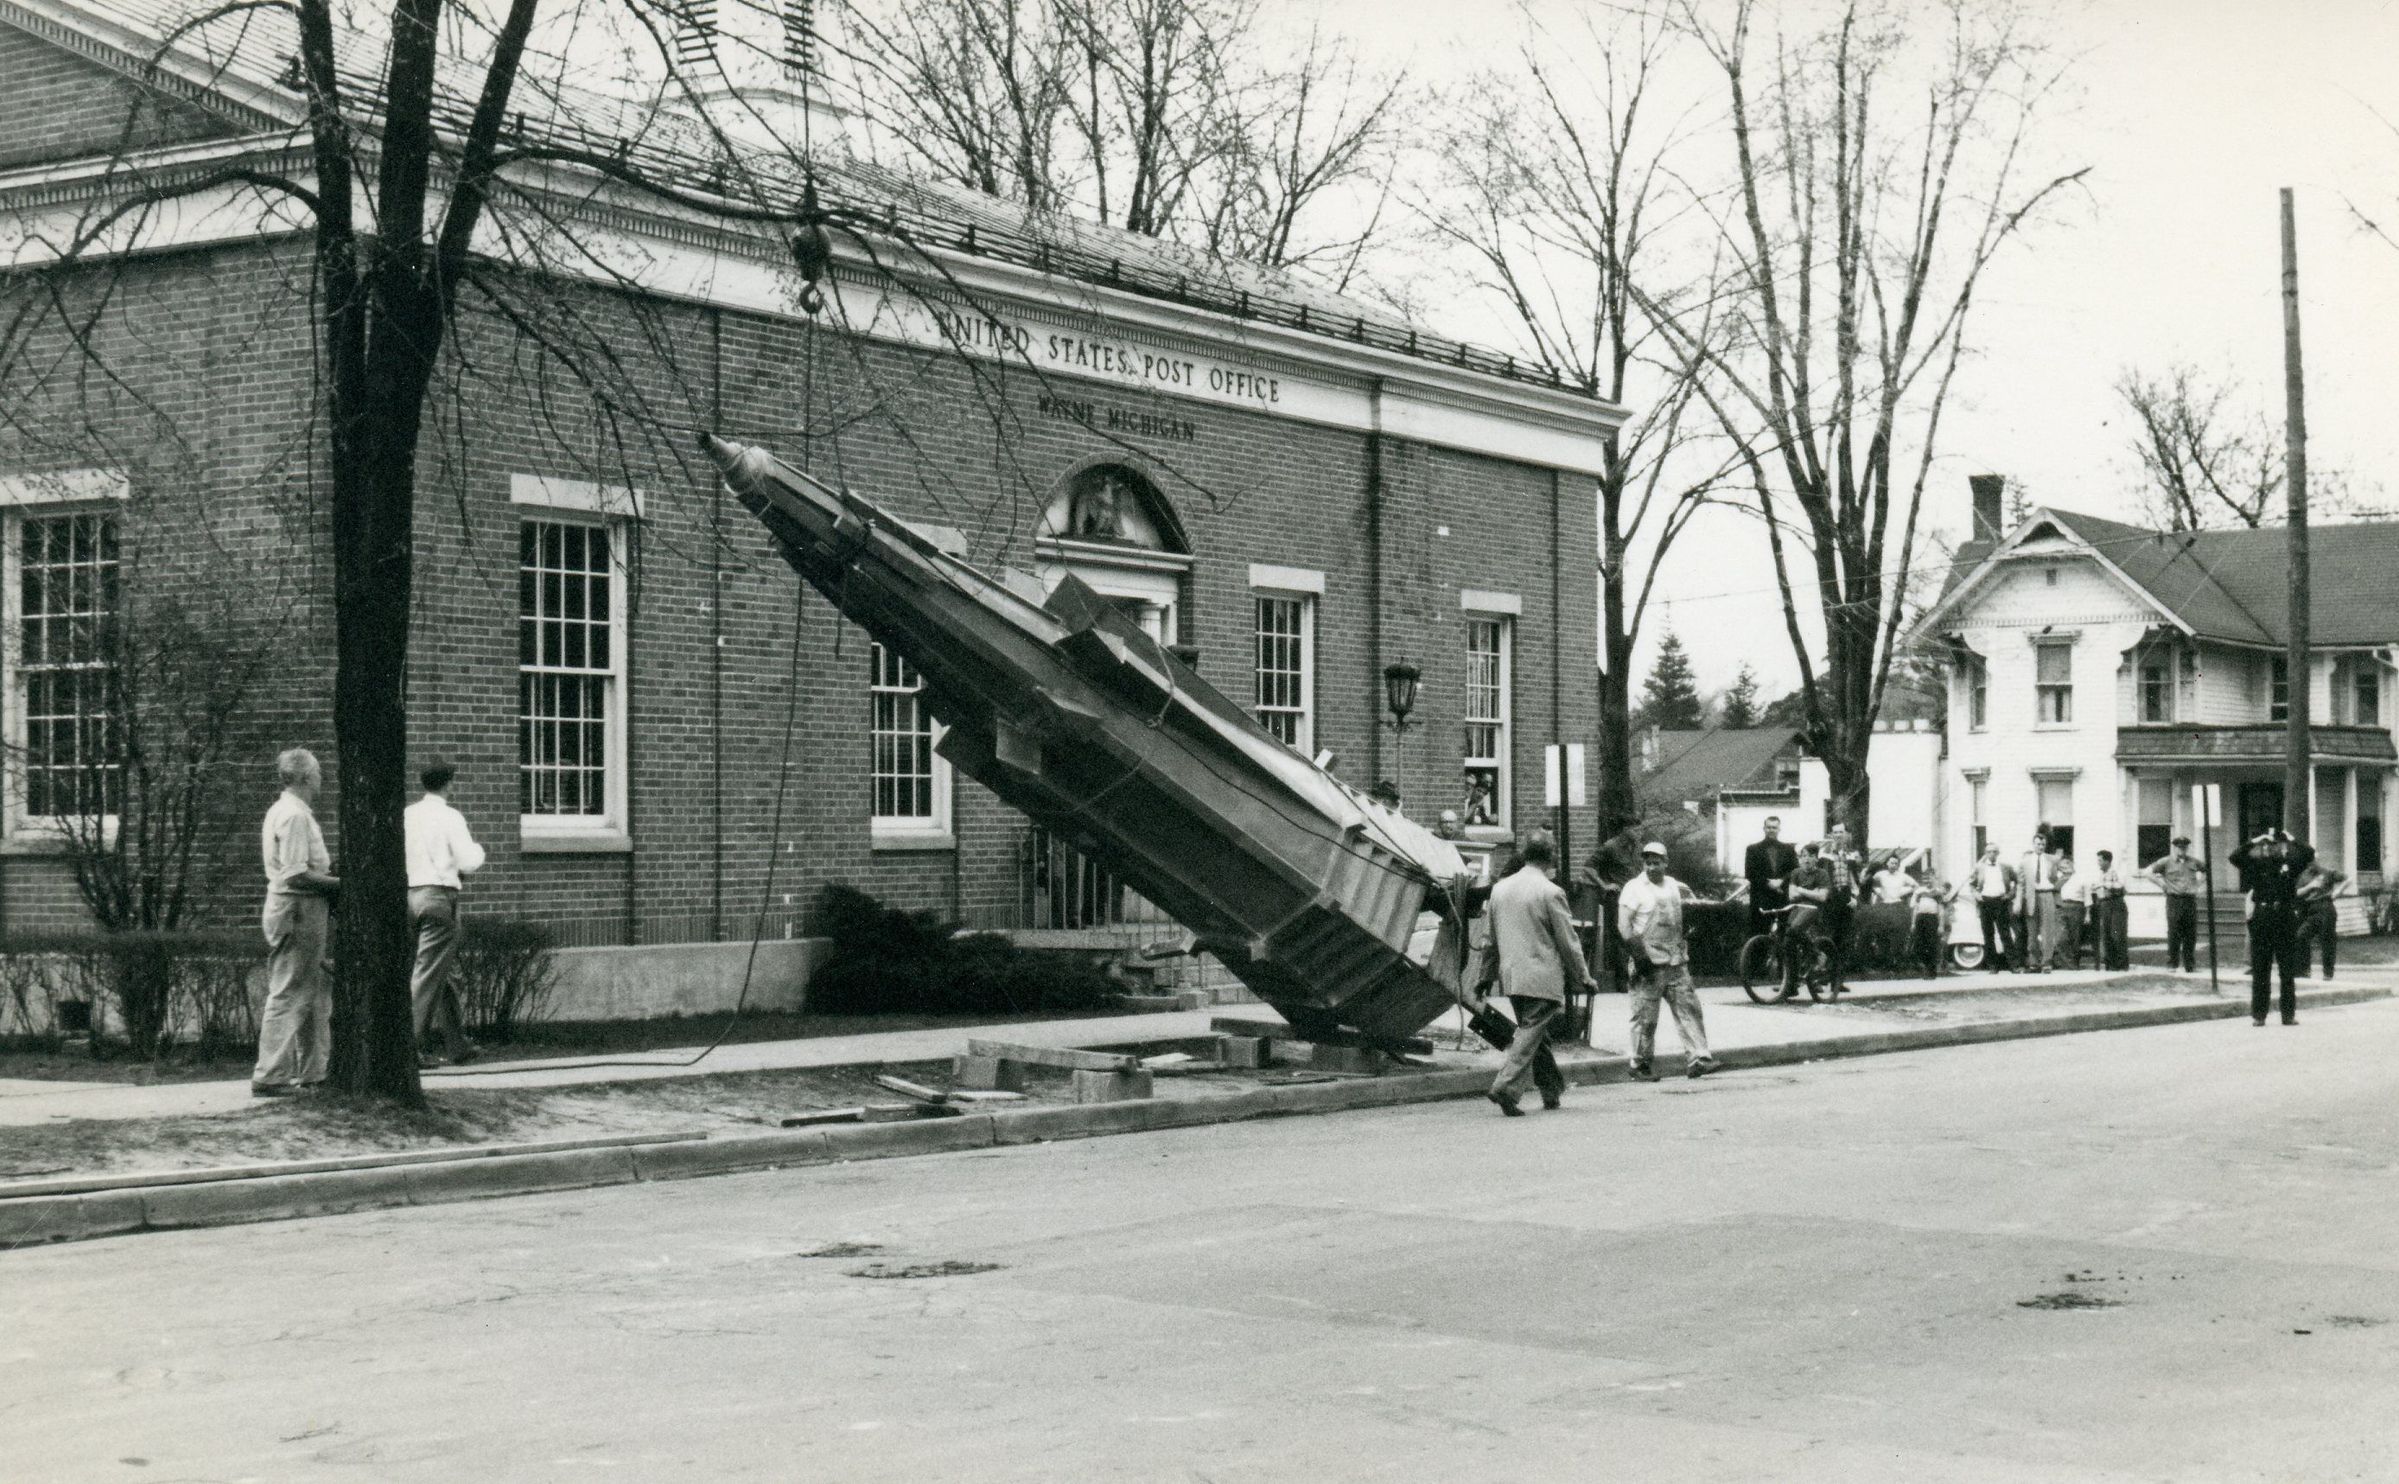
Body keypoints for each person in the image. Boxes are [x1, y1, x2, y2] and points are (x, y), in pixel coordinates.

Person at [1479, 836, 1595, 1115]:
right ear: (1550, 856)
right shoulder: (1550, 892)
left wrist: (1485, 976)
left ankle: (1551, 1089)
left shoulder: (1500, 889)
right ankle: (1505, 1088)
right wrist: (1584, 976)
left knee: (1535, 1035)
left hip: (1511, 977)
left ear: (1525, 855)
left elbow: (1489, 939)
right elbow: (1568, 941)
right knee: (1530, 1033)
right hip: (1542, 977)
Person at [254, 747, 341, 1098]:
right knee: (290, 989)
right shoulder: (293, 816)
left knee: (314, 990)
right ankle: (270, 1074)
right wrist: (343, 885)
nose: (321, 779)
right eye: (317, 773)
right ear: (305, 777)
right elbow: (296, 874)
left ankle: (313, 1070)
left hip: (302, 908)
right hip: (297, 908)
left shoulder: (288, 811)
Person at [405, 759, 487, 1068]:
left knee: (441, 972)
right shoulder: (451, 817)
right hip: (440, 897)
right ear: (448, 783)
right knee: (427, 975)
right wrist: (480, 851)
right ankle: (410, 1048)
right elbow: (468, 862)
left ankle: (457, 1044)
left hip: (411, 896)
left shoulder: (408, 814)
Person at [1618, 840, 1720, 1080]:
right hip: (1648, 962)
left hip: (1675, 960)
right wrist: (1639, 956)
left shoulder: (1673, 885)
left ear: (1666, 863)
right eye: (1648, 863)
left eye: (1657, 862)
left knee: (1689, 1009)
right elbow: (1624, 925)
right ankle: (1640, 1064)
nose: (1652, 867)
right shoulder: (1633, 888)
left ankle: (1698, 1058)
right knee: (1645, 1017)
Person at [2229, 828, 2314, 1026]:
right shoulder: (2255, 865)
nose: (2270, 848)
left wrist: (2292, 839)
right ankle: (2259, 1015)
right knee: (2260, 969)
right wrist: (2254, 840)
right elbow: (2234, 857)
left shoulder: (2290, 865)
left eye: (2275, 845)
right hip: (2262, 916)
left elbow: (2309, 853)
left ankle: (2288, 1015)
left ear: (2282, 847)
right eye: (2266, 845)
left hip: (2284, 916)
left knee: (2287, 969)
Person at [2143, 835, 2206, 973]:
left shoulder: (2194, 862)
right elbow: (2147, 872)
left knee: (2190, 933)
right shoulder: (2166, 861)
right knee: (2174, 932)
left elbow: (2207, 871)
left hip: (2189, 900)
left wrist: (2199, 884)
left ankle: (2190, 965)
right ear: (2174, 847)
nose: (2182, 849)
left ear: (2187, 848)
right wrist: (2161, 884)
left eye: (2184, 847)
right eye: (2179, 847)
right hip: (2174, 900)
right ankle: (2172, 964)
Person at [1817, 825, 1862, 995]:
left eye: (1840, 832)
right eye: (1835, 832)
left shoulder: (1851, 855)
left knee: (1844, 940)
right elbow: (1821, 877)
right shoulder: (1825, 854)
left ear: (1845, 835)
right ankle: (1819, 978)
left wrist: (1854, 897)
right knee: (1828, 938)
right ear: (1831, 835)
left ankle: (1837, 981)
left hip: (1846, 897)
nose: (1838, 835)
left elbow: (1854, 879)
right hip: (1830, 899)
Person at [1743, 816, 1799, 942]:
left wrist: (1781, 881)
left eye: (1774, 827)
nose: (1771, 830)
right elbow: (1750, 873)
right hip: (1761, 899)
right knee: (1758, 937)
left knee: (1783, 936)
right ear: (1764, 829)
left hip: (1782, 899)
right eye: (1768, 827)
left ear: (1779, 829)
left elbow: (1795, 870)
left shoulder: (1788, 849)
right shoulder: (1752, 849)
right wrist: (1768, 883)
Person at [2013, 828, 2061, 974]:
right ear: (2033, 844)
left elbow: (2061, 875)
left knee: (2047, 931)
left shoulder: (2052, 859)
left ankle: (2046, 963)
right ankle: (2033, 963)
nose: (2040, 847)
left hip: (2047, 895)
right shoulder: (2025, 862)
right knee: (2032, 932)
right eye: (2038, 844)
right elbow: (2021, 884)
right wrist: (2018, 902)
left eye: (2043, 844)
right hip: (2031, 897)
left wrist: (2055, 887)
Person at [2295, 858, 2348, 980]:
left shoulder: (2327, 872)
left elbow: (2347, 879)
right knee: (2301, 936)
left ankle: (2328, 973)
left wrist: (2339, 891)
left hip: (2326, 907)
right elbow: (2297, 892)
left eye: (2313, 860)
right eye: (2309, 861)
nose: (2312, 863)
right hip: (2311, 909)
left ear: (2317, 860)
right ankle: (2304, 970)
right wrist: (2310, 886)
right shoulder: (2303, 875)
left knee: (2327, 940)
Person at [1970, 844, 2017, 972]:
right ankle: (1992, 965)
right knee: (1988, 934)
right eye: (1989, 852)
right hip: (1985, 902)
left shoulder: (2006, 867)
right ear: (1985, 853)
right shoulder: (1979, 867)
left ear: (1998, 853)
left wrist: (2010, 895)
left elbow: (2017, 882)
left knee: (2005, 934)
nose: (1992, 854)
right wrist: (1977, 895)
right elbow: (1972, 884)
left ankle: (2013, 965)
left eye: (1994, 852)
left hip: (2001, 902)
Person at [1909, 865, 1959, 978]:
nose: (1927, 881)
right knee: (1920, 944)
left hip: (1932, 919)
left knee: (1931, 944)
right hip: (1920, 918)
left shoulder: (1938, 893)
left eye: (1929, 878)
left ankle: (1931, 970)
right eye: (1925, 879)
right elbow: (1915, 908)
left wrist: (1940, 925)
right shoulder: (1919, 892)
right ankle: (1925, 968)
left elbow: (1941, 910)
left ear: (1934, 878)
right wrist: (1913, 923)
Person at [2087, 850, 2130, 972]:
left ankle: (2121, 964)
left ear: (2107, 861)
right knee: (2106, 934)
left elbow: (2120, 886)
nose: (2098, 863)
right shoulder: (2101, 874)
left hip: (2116, 903)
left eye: (2100, 860)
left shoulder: (2117, 872)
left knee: (2117, 933)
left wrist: (2103, 884)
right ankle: (2110, 964)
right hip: (2104, 904)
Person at [2056, 856, 2089, 970]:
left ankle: (2074, 964)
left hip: (2077, 907)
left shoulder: (2081, 877)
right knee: (2060, 938)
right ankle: (2069, 963)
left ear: (2072, 863)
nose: (2065, 866)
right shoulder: (2059, 879)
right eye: (2062, 865)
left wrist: (2088, 914)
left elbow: (2087, 897)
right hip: (2061, 907)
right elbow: (2054, 890)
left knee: (2075, 937)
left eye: (2067, 863)